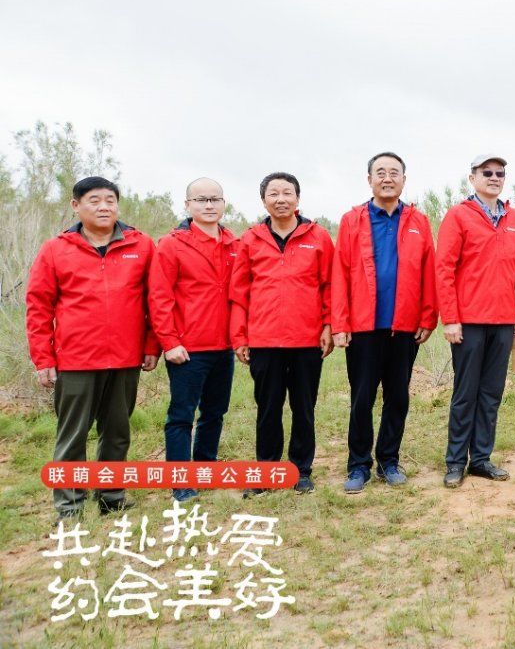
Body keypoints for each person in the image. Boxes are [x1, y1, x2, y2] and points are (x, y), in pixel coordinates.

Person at [26, 177, 160, 520]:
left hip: (126, 357)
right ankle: (69, 505)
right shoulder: (56, 249)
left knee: (117, 432)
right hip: (76, 360)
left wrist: (151, 345)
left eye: (110, 200)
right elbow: (38, 306)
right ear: (76, 206)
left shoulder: (141, 244)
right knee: (73, 435)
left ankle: (111, 497)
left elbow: (155, 299)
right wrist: (43, 357)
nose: (104, 207)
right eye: (95, 200)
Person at [332, 152, 438, 494]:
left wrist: (428, 315)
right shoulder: (352, 220)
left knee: (398, 396)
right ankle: (358, 464)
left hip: (404, 325)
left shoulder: (418, 221)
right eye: (380, 172)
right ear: (369, 180)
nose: (387, 178)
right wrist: (340, 323)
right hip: (363, 326)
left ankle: (389, 461)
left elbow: (429, 271)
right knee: (362, 397)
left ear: (404, 180)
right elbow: (339, 272)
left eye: (394, 172)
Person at [230, 172, 334, 496]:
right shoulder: (251, 239)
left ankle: (301, 470)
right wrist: (239, 336)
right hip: (264, 340)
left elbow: (329, 286)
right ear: (264, 201)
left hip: (307, 339)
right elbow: (239, 292)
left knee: (304, 408)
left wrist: (329, 325)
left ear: (297, 199)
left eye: (287, 193)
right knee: (268, 408)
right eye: (273, 194)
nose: (280, 199)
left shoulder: (318, 237)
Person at [435, 154, 515, 488]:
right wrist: (450, 318)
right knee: (466, 394)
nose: (494, 177)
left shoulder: (514, 219)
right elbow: (444, 269)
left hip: (503, 321)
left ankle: (480, 460)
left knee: (491, 393)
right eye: (487, 172)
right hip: (468, 322)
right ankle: (455, 462)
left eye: (499, 173)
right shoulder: (458, 215)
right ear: (472, 178)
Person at [149, 178, 239, 503]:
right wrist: (169, 341)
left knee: (215, 412)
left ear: (224, 203)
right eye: (201, 199)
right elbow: (159, 297)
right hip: (187, 349)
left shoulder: (233, 243)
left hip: (223, 347)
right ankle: (180, 482)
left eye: (215, 199)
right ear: (187, 205)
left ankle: (205, 469)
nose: (209, 205)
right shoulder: (172, 245)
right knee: (182, 415)